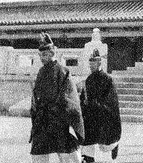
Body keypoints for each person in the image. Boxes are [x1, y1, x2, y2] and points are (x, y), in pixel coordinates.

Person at [30, 33, 84, 163]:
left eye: (44, 55)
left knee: (67, 154)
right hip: (42, 121)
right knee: (38, 154)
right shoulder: (41, 72)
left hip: (58, 119)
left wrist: (56, 109)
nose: (41, 58)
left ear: (51, 53)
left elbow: (69, 97)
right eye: (40, 55)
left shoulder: (63, 71)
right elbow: (36, 96)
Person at [79, 49, 121, 163]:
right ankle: (88, 158)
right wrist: (82, 104)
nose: (91, 65)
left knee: (104, 145)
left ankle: (114, 145)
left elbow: (110, 100)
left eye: (93, 63)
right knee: (88, 138)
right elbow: (83, 96)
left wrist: (96, 104)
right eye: (90, 63)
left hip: (102, 114)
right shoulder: (89, 79)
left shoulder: (107, 79)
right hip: (89, 114)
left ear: (99, 63)